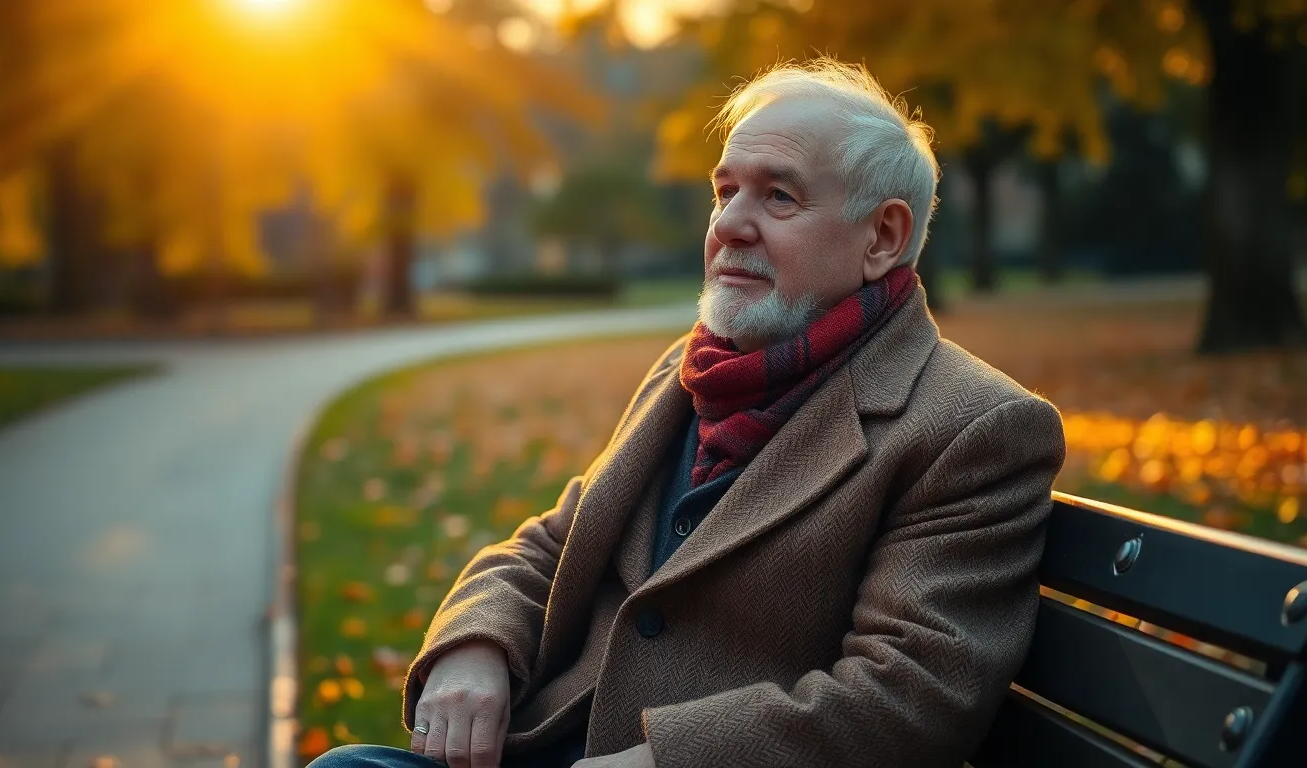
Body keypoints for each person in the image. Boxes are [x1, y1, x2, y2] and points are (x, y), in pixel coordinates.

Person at [309, 57, 1066, 768]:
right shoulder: (695, 368)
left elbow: (910, 697)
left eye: (778, 196)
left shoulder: (973, 427)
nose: (730, 223)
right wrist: (473, 642)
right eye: (724, 190)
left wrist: (666, 761)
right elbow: (554, 544)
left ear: (883, 236)